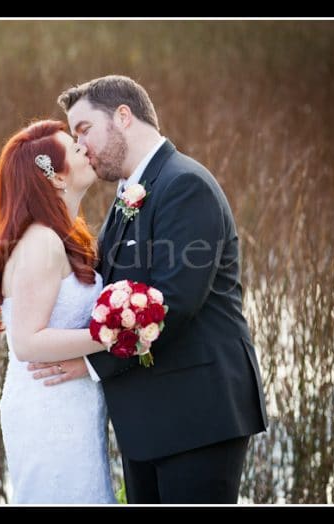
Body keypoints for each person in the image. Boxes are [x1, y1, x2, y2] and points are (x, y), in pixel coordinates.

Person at [29, 75, 268, 503]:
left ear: (123, 116)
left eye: (84, 129)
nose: (80, 146)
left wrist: (93, 364)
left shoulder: (185, 185)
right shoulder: (128, 194)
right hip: (147, 422)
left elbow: (173, 304)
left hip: (198, 416)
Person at [0, 120, 116, 504]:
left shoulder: (64, 235)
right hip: (48, 408)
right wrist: (112, 337)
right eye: (75, 149)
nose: (85, 149)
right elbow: (26, 342)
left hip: (72, 401)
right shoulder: (40, 242)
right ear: (56, 178)